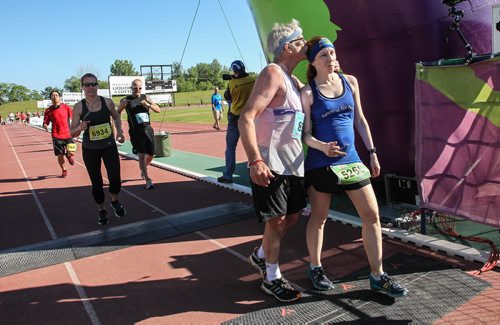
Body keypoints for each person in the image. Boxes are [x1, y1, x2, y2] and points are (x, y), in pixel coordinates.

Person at [301, 36, 408, 297]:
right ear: (314, 61)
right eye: (324, 55)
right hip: (321, 164)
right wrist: (322, 147)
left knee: (371, 216)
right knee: (319, 217)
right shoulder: (307, 93)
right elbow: (304, 135)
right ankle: (315, 267)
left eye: (333, 53)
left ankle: (377, 275)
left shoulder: (351, 82)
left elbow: (360, 119)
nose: (331, 58)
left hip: (351, 161)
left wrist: (371, 153)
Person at [238, 19, 307, 302]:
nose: (305, 43)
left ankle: (261, 255)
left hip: (294, 162)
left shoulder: (293, 80)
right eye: (300, 40)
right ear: (286, 47)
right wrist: (255, 160)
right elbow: (246, 117)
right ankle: (272, 277)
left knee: (291, 217)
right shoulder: (273, 72)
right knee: (277, 221)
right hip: (271, 162)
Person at [70, 73, 126, 226]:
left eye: (93, 84)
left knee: (115, 179)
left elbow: (116, 116)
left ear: (97, 86)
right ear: (82, 87)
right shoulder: (79, 107)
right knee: (97, 183)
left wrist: (120, 131)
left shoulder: (107, 102)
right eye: (87, 84)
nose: (91, 87)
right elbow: (71, 132)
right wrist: (80, 127)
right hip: (90, 149)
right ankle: (101, 210)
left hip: (109, 146)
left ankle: (114, 200)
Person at [217, 60, 256, 184]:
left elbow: (227, 96)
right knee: (254, 146)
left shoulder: (232, 82)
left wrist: (232, 78)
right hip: (251, 117)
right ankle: (254, 174)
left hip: (235, 117)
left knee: (230, 147)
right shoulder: (253, 80)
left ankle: (228, 175)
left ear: (234, 71)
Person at [117, 79, 160, 189]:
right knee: (141, 155)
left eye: (140, 88)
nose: (137, 90)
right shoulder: (126, 100)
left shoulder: (146, 98)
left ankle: (143, 168)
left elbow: (158, 109)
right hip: (135, 132)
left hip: (148, 129)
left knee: (151, 155)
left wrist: (147, 105)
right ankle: (147, 179)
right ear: (131, 88)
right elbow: (117, 113)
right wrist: (119, 129)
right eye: (135, 88)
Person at [43, 90, 75, 177]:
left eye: (56, 95)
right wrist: (45, 125)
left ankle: (68, 155)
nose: (55, 97)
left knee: (71, 152)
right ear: (50, 98)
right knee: (60, 155)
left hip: (68, 134)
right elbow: (45, 122)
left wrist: (76, 127)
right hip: (56, 135)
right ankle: (64, 169)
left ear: (59, 97)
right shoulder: (48, 110)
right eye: (52, 95)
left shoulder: (66, 107)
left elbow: (74, 118)